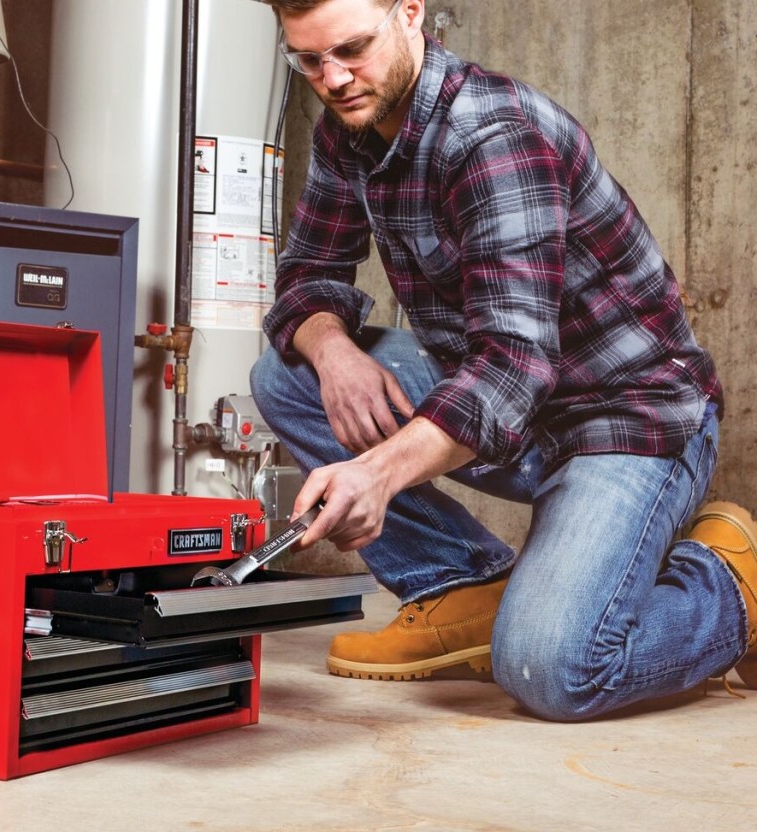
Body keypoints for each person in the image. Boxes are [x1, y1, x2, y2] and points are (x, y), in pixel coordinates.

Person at [250, 0, 757, 721]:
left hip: (624, 422)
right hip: (507, 411)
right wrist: (333, 352)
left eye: (352, 49)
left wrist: (377, 471)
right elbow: (307, 274)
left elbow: (513, 368)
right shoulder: (350, 125)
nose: (332, 79)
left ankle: (728, 584)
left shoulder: (493, 135)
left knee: (554, 669)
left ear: (410, 14)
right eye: (308, 60)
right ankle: (461, 588)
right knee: (290, 373)